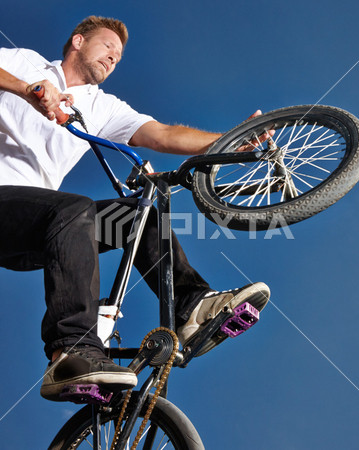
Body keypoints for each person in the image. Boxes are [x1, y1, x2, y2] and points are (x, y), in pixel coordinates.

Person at [0, 16, 270, 401]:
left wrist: (229, 142)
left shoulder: (102, 107)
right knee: (72, 209)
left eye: (120, 55)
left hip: (40, 227)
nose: (115, 56)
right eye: (108, 45)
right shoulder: (27, 64)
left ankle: (191, 307)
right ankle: (70, 353)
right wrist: (27, 89)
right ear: (78, 41)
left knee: (137, 216)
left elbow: (162, 134)